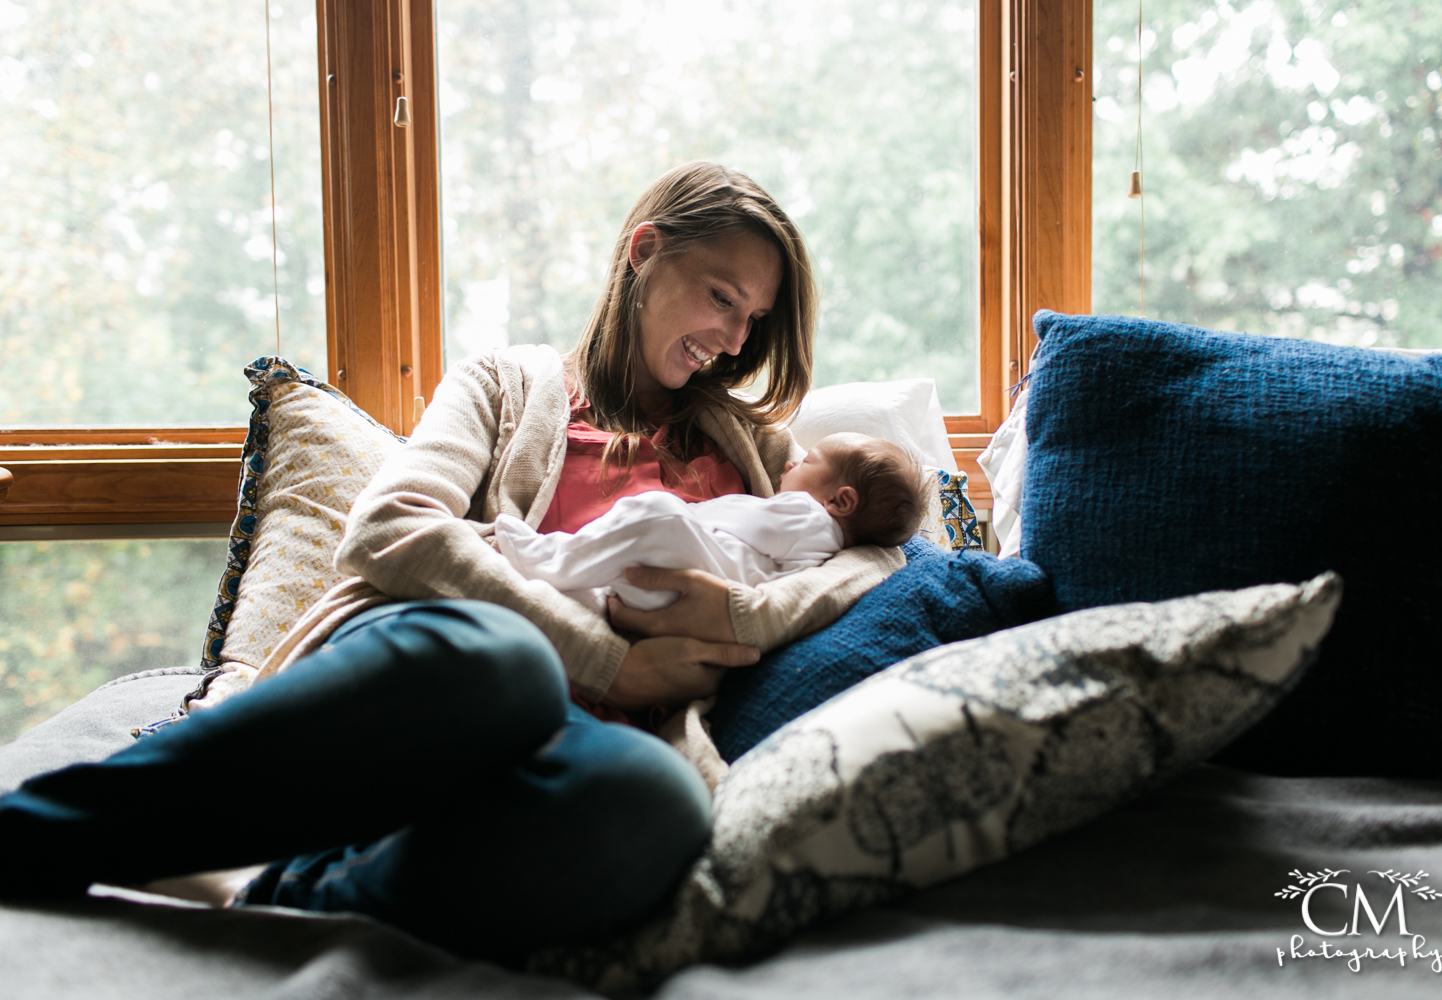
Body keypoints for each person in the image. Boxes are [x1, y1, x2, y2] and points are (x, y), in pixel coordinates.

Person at [0, 162, 906, 964]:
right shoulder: (505, 385)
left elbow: (874, 557)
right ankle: (41, 831)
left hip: (578, 744)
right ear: (644, 250)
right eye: (722, 298)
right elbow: (392, 529)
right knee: (501, 659)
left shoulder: (758, 453)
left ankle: (283, 892)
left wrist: (730, 620)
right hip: (446, 678)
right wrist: (612, 661)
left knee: (657, 803)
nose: (738, 340)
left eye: (753, 318)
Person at [491, 432, 928, 615]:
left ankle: (548, 560)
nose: (793, 459)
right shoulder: (824, 538)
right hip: (676, 588)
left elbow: (733, 515)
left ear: (841, 501)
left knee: (659, 514)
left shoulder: (808, 518)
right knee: (636, 543)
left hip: (704, 580)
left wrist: (689, 513)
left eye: (808, 461)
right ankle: (562, 579)